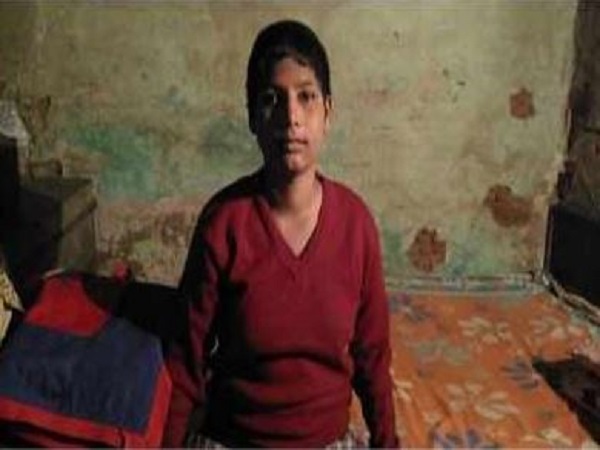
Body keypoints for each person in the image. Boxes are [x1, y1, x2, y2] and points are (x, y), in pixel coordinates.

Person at [163, 19, 399, 448]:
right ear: (253, 117)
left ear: (327, 112)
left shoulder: (355, 225)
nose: (291, 117)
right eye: (272, 99)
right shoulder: (225, 223)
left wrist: (388, 443)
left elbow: (373, 357)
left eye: (306, 97)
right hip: (235, 440)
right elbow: (187, 357)